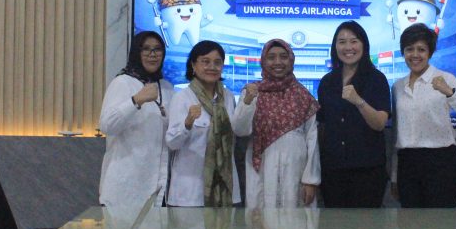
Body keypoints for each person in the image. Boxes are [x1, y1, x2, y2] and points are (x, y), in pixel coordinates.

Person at [391, 23, 456, 208]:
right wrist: (394, 176)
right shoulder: (398, 86)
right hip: (407, 164)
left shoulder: (446, 79)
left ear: (430, 52)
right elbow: (397, 134)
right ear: (403, 52)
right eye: (409, 49)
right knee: (410, 224)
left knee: (441, 224)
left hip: (441, 163)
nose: (415, 54)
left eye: (421, 49)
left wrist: (450, 93)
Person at [232, 39, 321, 207]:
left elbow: (312, 138)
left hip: (296, 170)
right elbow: (240, 130)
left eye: (283, 57)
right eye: (271, 57)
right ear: (263, 61)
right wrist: (248, 101)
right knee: (263, 214)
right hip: (263, 170)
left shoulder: (303, 95)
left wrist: (311, 180)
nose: (278, 62)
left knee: (295, 216)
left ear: (291, 60)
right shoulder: (252, 91)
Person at [316, 21, 391, 207]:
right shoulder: (327, 82)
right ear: (335, 47)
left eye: (354, 41)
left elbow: (380, 124)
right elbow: (322, 126)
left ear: (364, 45)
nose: (348, 47)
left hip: (367, 170)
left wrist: (358, 101)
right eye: (342, 42)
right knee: (334, 223)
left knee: (365, 224)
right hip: (333, 169)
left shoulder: (376, 79)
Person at [98, 31, 174, 213]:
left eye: (157, 49)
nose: (152, 54)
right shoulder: (123, 82)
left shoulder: (166, 88)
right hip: (126, 187)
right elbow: (107, 125)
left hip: (158, 188)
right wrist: (136, 101)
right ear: (136, 53)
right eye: (146, 49)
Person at [165, 41, 240, 207]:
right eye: (205, 61)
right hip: (190, 193)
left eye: (217, 62)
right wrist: (187, 124)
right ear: (193, 65)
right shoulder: (182, 97)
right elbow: (172, 143)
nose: (212, 67)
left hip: (225, 190)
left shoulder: (228, 97)